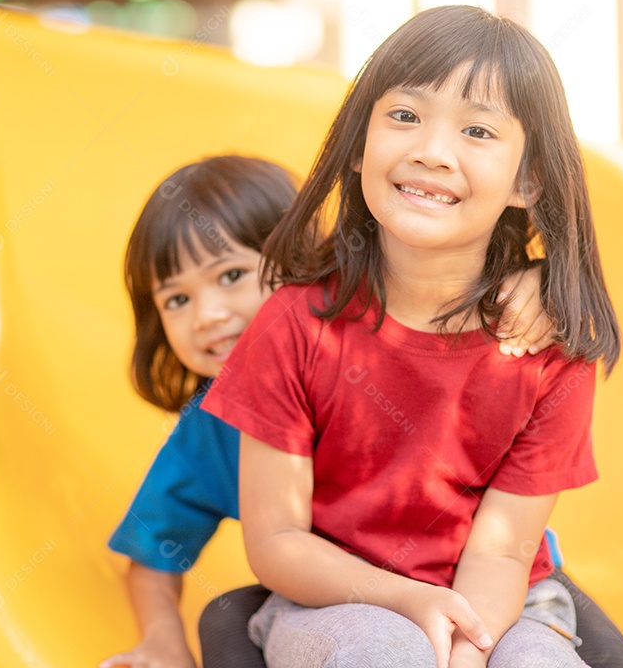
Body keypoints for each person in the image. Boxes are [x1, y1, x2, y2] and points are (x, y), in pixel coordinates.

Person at [201, 5, 623, 668]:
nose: (432, 151)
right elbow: (278, 540)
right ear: (358, 145)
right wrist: (406, 601)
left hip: (504, 603)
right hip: (334, 601)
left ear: (529, 181)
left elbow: (497, 552)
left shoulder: (550, 349)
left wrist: (462, 648)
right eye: (404, 116)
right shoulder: (293, 325)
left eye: (477, 130)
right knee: (385, 651)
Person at [101, 154, 573, 668]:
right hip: (350, 599)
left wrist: (537, 284)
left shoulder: (356, 339)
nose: (207, 315)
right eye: (176, 300)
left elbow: (439, 281)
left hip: (504, 583)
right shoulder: (211, 429)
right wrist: (162, 641)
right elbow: (153, 551)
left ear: (299, 259)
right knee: (233, 624)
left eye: (231, 274)